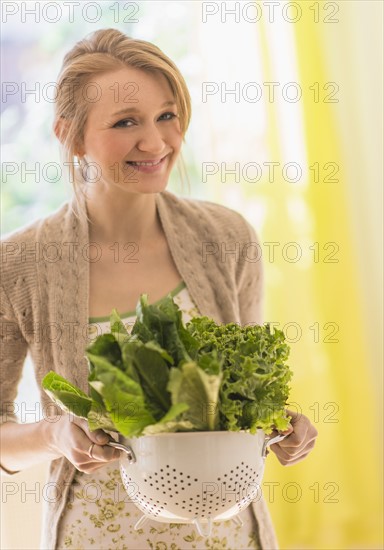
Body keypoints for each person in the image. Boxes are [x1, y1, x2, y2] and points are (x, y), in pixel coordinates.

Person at [0, 29, 317, 550]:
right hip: (94, 537)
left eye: (166, 116)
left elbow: (250, 389)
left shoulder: (226, 238)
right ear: (71, 135)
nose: (155, 142)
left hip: (229, 535)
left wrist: (282, 426)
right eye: (126, 122)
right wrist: (53, 433)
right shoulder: (19, 264)